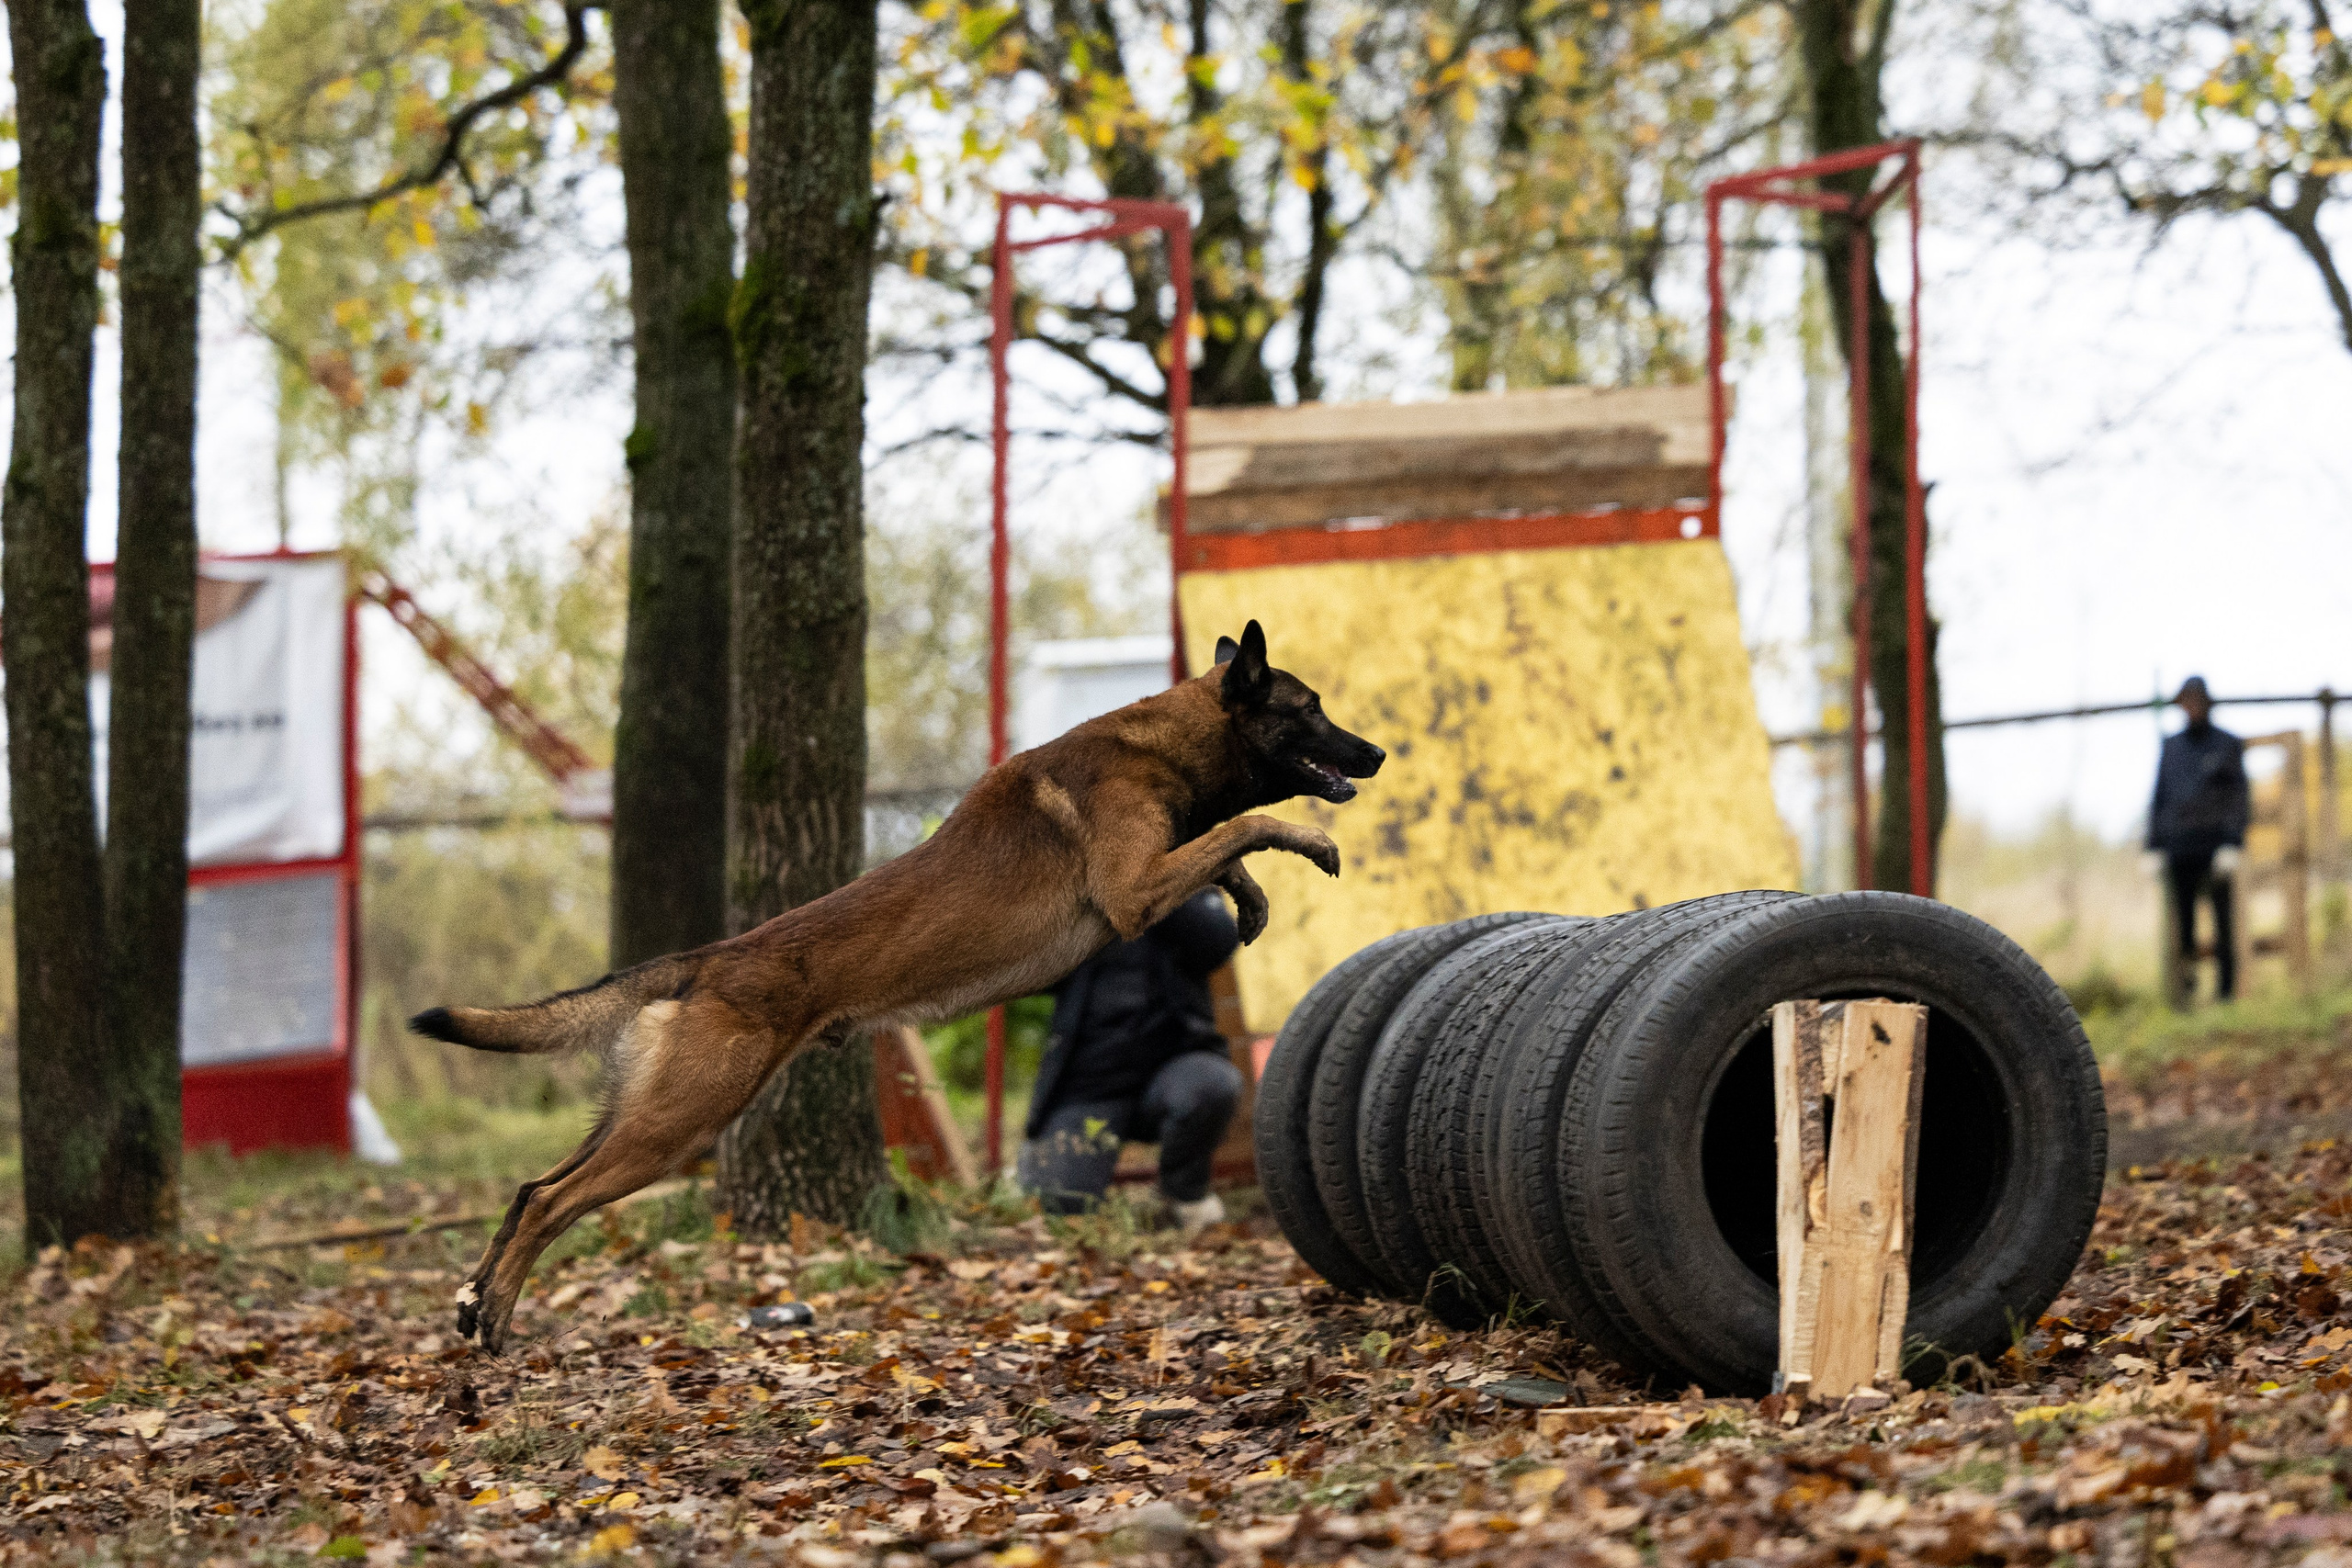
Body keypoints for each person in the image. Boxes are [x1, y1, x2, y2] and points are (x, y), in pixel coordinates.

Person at [1017, 888, 1242, 1231]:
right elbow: (1027, 969)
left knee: (1213, 1086)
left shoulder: (1184, 877)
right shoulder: (1078, 892)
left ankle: (1182, 1194)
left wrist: (1151, 885)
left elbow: (1219, 942)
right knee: (1060, 1207)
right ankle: (1042, 1168)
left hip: (1172, 1072)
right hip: (1092, 1088)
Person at [2146, 675, 2250, 1005]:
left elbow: (2239, 796)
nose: (2190, 708)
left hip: (2216, 846)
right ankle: (2187, 991)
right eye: (2185, 702)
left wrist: (2233, 841)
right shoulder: (2172, 747)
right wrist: (2153, 845)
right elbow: (2160, 796)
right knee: (2185, 922)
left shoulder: (2227, 744)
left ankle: (2226, 992)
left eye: (2195, 701)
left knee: (2223, 920)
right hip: (2179, 848)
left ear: (2206, 703)